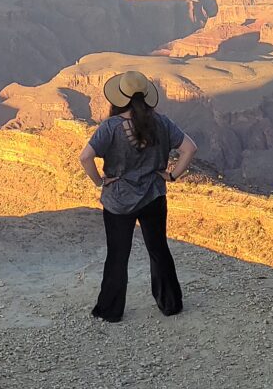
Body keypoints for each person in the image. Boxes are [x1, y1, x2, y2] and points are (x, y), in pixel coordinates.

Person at [77, 69, 196, 321]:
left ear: (119, 98)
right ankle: (170, 304)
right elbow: (190, 148)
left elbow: (85, 157)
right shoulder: (161, 123)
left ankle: (110, 311)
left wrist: (100, 181)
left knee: (117, 255)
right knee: (158, 250)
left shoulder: (110, 128)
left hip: (119, 201)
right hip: (154, 197)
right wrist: (172, 175)